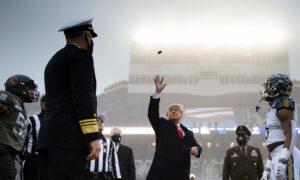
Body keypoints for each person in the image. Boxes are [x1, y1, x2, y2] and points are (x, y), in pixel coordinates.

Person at [38, 17, 101, 180]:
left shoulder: (55, 59)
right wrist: (93, 136)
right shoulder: (81, 57)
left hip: (50, 137)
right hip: (69, 139)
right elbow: (83, 98)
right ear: (87, 36)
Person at [146, 75, 202, 180]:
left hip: (181, 174)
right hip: (162, 174)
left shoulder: (188, 132)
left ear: (181, 114)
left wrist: (197, 149)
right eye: (171, 109)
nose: (173, 111)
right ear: (167, 114)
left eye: (176, 109)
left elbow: (196, 145)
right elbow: (152, 114)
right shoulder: (162, 125)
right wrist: (157, 93)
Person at [258, 74, 297, 180]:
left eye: (270, 86)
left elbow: (291, 134)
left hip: (285, 153)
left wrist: (283, 159)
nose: (267, 89)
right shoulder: (274, 107)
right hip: (276, 153)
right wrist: (267, 168)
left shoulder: (283, 103)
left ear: (279, 88)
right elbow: (273, 144)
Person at [0, 74, 39, 180]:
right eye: (28, 87)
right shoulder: (7, 96)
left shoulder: (21, 107)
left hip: (9, 153)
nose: (31, 91)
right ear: (14, 82)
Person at [85, 115, 121, 180]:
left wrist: (118, 178)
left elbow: (114, 162)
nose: (100, 123)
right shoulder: (85, 140)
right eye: (97, 121)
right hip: (87, 175)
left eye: (101, 122)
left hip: (103, 176)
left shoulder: (109, 142)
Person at [22, 95, 46, 180]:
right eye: (45, 102)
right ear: (42, 104)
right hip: (32, 161)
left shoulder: (56, 123)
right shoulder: (32, 120)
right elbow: (22, 139)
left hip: (49, 162)